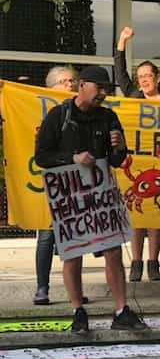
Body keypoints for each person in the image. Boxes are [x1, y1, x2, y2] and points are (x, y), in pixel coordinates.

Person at [34, 65, 148, 334]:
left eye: (106, 89)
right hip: (70, 197)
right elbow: (41, 156)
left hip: (100, 194)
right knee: (72, 253)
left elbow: (118, 161)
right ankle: (78, 310)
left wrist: (120, 147)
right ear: (82, 85)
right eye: (99, 88)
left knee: (112, 249)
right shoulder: (58, 116)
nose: (103, 94)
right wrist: (72, 158)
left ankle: (121, 310)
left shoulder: (108, 117)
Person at [115, 26, 160, 282]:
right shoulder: (133, 96)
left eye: (148, 75)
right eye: (141, 77)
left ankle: (153, 263)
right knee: (137, 216)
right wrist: (122, 42)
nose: (144, 80)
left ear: (157, 78)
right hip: (136, 162)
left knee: (155, 216)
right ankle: (136, 263)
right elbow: (119, 73)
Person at [33, 66, 91, 306]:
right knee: (46, 236)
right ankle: (42, 288)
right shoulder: (42, 109)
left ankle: (74, 292)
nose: (70, 85)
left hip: (76, 182)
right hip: (52, 181)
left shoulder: (81, 113)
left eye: (72, 81)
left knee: (76, 235)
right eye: (64, 81)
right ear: (51, 88)